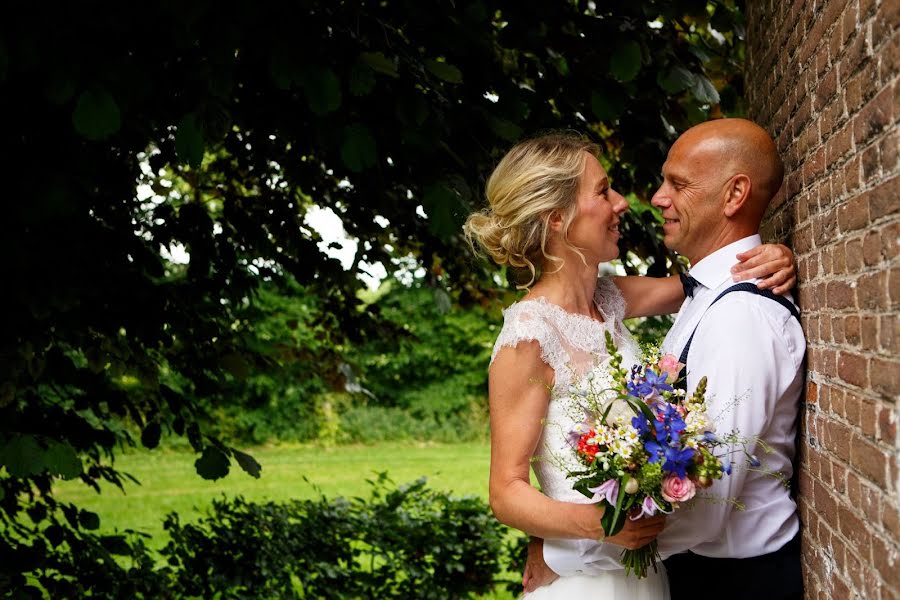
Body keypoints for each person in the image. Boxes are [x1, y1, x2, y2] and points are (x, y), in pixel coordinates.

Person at [463, 131, 797, 599]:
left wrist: (776, 254)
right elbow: (506, 490)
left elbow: (711, 279)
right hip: (592, 575)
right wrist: (591, 527)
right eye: (602, 191)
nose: (621, 203)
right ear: (557, 218)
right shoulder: (528, 336)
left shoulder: (611, 297)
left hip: (647, 570)